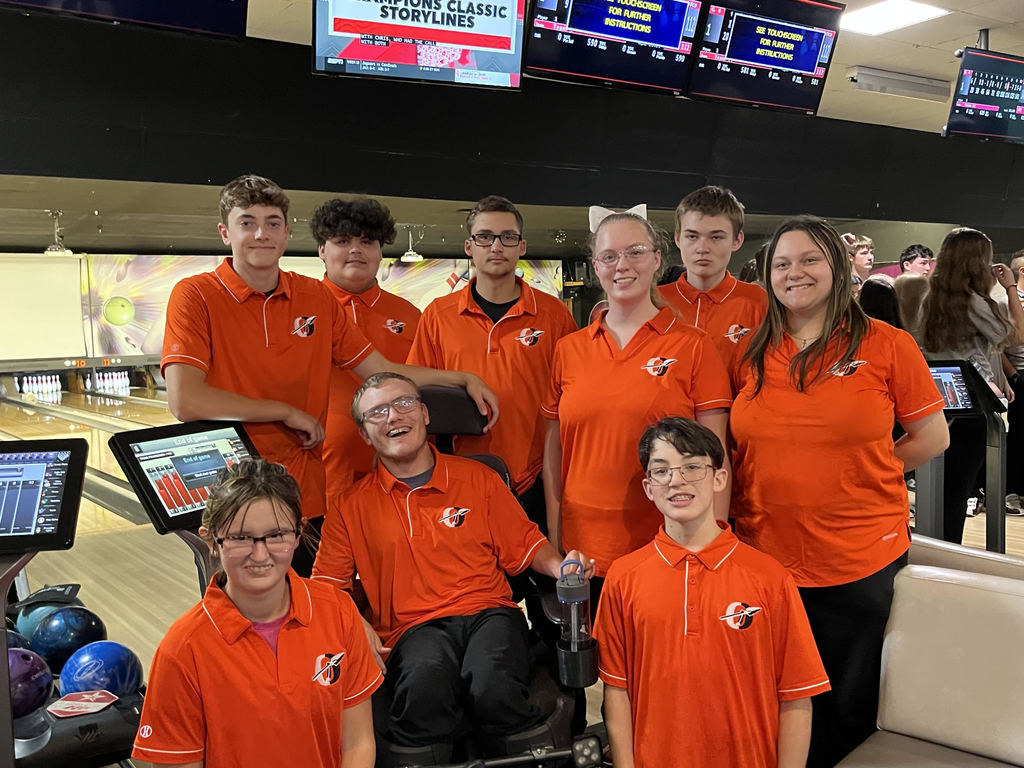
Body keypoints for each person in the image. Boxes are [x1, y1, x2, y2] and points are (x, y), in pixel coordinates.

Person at [161, 175, 498, 575]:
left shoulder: (315, 297)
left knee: (310, 613)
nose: (261, 234)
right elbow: (185, 400)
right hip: (233, 493)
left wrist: (460, 378)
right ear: (225, 232)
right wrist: (285, 412)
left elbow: (379, 371)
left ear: (286, 233)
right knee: (248, 620)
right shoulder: (195, 294)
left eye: (272, 223)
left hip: (305, 492)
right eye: (247, 222)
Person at [731, 215, 949, 767]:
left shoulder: (887, 345)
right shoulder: (752, 353)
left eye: (809, 260)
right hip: (765, 556)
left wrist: (868, 469)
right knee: (776, 700)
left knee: (848, 709)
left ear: (837, 266)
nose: (794, 273)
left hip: (859, 558)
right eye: (781, 264)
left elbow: (933, 435)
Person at [312, 372, 595, 763]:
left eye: (404, 403)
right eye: (377, 412)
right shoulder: (350, 505)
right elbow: (327, 586)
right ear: (363, 434)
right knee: (425, 687)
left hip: (488, 612)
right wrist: (354, 622)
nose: (393, 416)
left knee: (494, 683)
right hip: (412, 627)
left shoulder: (479, 478)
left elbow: (527, 545)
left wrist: (562, 566)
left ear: (425, 414)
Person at [595, 417, 829, 768]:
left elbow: (796, 696)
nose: (677, 480)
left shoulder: (769, 578)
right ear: (648, 487)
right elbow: (617, 690)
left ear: (720, 478)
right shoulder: (623, 577)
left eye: (692, 466)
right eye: (662, 470)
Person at [132, 459, 381, 768]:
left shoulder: (337, 611)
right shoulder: (182, 651)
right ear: (211, 540)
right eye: (240, 538)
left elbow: (357, 744)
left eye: (276, 535)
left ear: (299, 533)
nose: (260, 554)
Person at [543, 210, 733, 599]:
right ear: (596, 266)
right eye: (609, 256)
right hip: (585, 550)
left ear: (657, 259)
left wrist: (711, 538)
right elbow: (554, 450)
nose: (622, 266)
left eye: (635, 252)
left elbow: (717, 455)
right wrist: (555, 533)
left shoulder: (693, 345)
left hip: (670, 542)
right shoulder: (568, 350)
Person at [406, 195, 576, 531]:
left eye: (507, 237)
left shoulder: (554, 315)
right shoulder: (438, 315)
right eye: (485, 237)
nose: (496, 246)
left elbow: (572, 394)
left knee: (535, 578)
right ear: (469, 246)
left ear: (521, 246)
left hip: (538, 477)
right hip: (460, 474)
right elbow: (414, 385)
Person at [312, 197, 421, 507]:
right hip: (318, 483)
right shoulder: (299, 310)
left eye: (367, 241)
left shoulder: (411, 316)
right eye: (342, 240)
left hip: (402, 480)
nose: (355, 249)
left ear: (380, 250)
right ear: (322, 249)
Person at [917, 228, 1024, 543]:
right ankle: (951, 550)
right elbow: (1015, 337)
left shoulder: (930, 299)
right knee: (960, 485)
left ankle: (938, 548)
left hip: (939, 397)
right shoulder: (976, 302)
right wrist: (1011, 287)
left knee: (943, 487)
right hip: (973, 403)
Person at [657, 186, 768, 370]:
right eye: (692, 236)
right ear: (678, 238)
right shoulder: (654, 302)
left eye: (716, 237)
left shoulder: (759, 302)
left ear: (737, 240)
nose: (702, 248)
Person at [1000, 252, 1024, 513]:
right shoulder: (1007, 302)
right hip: (1020, 373)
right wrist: (1014, 376)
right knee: (1018, 436)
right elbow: (1001, 347)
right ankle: (1011, 492)